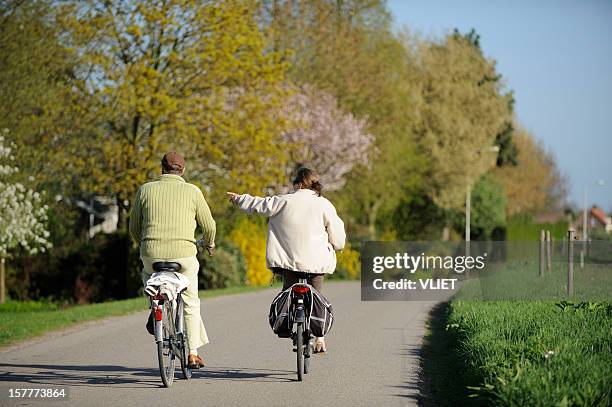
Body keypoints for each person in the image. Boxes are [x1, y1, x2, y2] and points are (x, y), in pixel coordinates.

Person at [227, 167, 346, 353]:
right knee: (317, 295)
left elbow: (259, 204)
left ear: (297, 184)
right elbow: (338, 237)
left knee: (288, 291)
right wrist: (337, 246)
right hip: (316, 263)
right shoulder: (324, 204)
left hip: (288, 262)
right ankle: (319, 338)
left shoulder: (283, 201)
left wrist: (239, 199)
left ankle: (286, 323)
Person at [129, 152, 216, 369]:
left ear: (162, 168)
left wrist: (145, 244)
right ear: (183, 171)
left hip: (151, 254)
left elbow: (133, 228)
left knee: (148, 276)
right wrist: (208, 243)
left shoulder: (145, 190)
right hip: (184, 256)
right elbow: (210, 227)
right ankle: (193, 354)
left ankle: (155, 304)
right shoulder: (192, 191)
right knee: (190, 300)